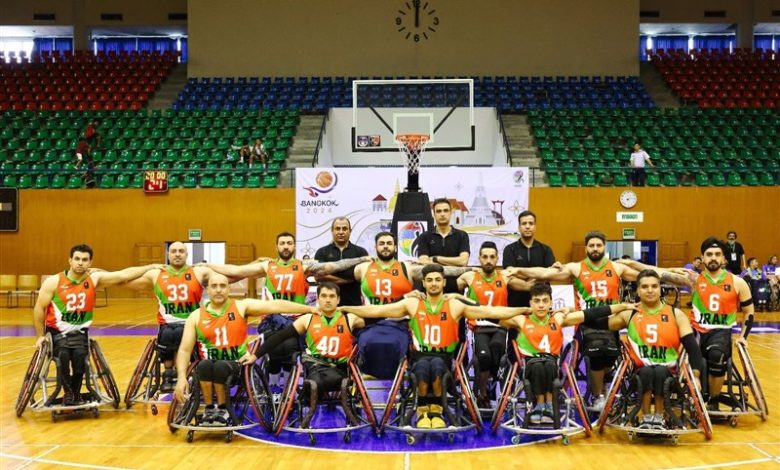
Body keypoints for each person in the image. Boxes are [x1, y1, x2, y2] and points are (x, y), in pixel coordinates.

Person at [507, 230, 690, 411]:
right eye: (591, 245)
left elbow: (647, 275)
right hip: (587, 321)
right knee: (597, 350)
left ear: (604, 247)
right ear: (586, 248)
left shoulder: (616, 268)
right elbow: (545, 273)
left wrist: (671, 271)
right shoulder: (576, 268)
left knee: (610, 353)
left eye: (599, 245)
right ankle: (598, 396)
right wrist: (518, 269)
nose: (595, 248)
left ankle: (605, 383)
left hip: (612, 319)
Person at [342, 264, 525, 429]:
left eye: (437, 280)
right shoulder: (412, 304)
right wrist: (345, 309)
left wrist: (524, 310)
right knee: (423, 367)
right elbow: (376, 310)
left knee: (436, 366)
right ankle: (423, 411)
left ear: (444, 282)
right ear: (423, 283)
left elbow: (490, 311)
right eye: (429, 280)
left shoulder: (455, 305)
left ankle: (437, 411)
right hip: (419, 357)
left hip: (444, 358)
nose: (434, 284)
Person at [208, 231, 371, 385]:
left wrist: (361, 259)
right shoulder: (267, 266)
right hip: (271, 319)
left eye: (289, 243)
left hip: (295, 320)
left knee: (289, 349)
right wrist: (206, 265)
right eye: (282, 243)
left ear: (294, 246)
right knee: (275, 350)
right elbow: (236, 270)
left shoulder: (304, 266)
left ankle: (286, 386)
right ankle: (274, 386)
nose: (286, 246)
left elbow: (334, 266)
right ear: (276, 247)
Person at [173, 273, 319, 426]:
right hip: (207, 368)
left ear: (228, 289)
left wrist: (309, 308)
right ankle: (209, 409)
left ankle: (223, 409)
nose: (218, 290)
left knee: (220, 366)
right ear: (207, 290)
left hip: (237, 365)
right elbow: (184, 350)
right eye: (214, 286)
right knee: (204, 365)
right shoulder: (195, 316)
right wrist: (181, 377)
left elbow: (275, 305)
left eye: (222, 286)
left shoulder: (241, 307)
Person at [33, 244, 162, 405]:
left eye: (84, 260)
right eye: (77, 259)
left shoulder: (94, 279)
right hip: (57, 334)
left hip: (80, 334)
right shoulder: (54, 282)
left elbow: (123, 275)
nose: (80, 263)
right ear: (70, 260)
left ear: (90, 262)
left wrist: (151, 266)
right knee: (63, 357)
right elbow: (39, 309)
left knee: (80, 360)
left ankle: (75, 393)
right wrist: (40, 336)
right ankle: (68, 394)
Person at [498, 283, 634, 424]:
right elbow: (494, 315)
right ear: (530, 303)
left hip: (552, 364)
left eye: (545, 301)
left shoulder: (558, 318)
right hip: (529, 366)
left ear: (551, 303)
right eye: (537, 301)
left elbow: (591, 313)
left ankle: (548, 405)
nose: (541, 305)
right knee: (538, 366)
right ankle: (540, 404)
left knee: (549, 365)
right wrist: (522, 310)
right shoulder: (521, 319)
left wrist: (623, 306)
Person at [584, 270, 703, 429]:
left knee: (660, 371)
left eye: (654, 286)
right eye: (645, 287)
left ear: (660, 289)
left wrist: (695, 377)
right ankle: (647, 417)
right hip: (638, 374)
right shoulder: (630, 314)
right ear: (638, 291)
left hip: (670, 374)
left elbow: (693, 349)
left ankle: (659, 416)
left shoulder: (676, 314)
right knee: (647, 372)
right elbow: (595, 322)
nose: (650, 290)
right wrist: (576, 315)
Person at [352, 231, 473, 379]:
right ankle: (367, 370)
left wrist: (471, 270)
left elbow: (439, 273)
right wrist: (360, 259)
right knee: (366, 342)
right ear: (375, 247)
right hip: (372, 322)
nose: (385, 247)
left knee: (397, 345)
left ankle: (398, 373)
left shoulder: (407, 268)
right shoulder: (363, 268)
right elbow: (332, 270)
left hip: (400, 323)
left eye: (389, 243)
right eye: (381, 244)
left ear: (395, 247)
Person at [252, 282, 366, 428]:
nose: (328, 300)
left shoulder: (350, 318)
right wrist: (255, 355)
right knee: (313, 380)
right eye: (324, 296)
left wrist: (347, 309)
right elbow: (280, 337)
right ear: (317, 299)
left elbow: (370, 321)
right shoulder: (308, 319)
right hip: (316, 367)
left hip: (341, 368)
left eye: (332, 296)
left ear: (338, 299)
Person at [126, 241, 219, 391]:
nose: (177, 254)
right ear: (168, 254)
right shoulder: (157, 273)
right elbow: (123, 279)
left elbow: (230, 276)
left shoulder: (198, 272)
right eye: (174, 251)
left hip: (191, 323)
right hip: (167, 324)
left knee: (181, 333)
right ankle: (168, 374)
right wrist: (148, 267)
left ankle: (182, 373)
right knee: (169, 334)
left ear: (187, 254)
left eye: (181, 251)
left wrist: (209, 265)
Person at [456, 240, 535, 407]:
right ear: (479, 258)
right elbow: (448, 285)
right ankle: (482, 394)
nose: (488, 260)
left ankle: (492, 384)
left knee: (497, 349)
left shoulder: (504, 277)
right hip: (478, 327)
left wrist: (550, 272)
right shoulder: (469, 276)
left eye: (492, 257)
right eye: (485, 257)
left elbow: (529, 286)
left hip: (500, 326)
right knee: (484, 357)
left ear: (497, 258)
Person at [689, 237, 754, 411]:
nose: (713, 258)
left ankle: (713, 401)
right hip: (695, 332)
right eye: (709, 254)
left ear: (724, 258)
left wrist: (743, 337)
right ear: (702, 258)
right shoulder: (692, 279)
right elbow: (656, 274)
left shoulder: (737, 282)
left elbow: (749, 312)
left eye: (717, 254)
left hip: (720, 331)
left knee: (716, 356)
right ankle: (693, 394)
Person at [501, 210, 557, 308]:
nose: (527, 226)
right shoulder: (509, 249)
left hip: (542, 303)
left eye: (531, 223)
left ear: (535, 227)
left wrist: (519, 271)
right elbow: (510, 274)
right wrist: (539, 274)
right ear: (519, 227)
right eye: (524, 223)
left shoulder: (545, 250)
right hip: (516, 304)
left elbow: (549, 274)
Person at [416, 198, 471, 293]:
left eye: (445, 211)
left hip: (456, 286)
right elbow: (423, 261)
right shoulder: (424, 237)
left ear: (451, 213)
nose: (442, 214)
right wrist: (454, 264)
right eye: (438, 211)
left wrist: (436, 259)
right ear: (433, 214)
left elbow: (463, 261)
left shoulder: (462, 235)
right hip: (430, 287)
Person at [314, 217, 370, 306]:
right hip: (328, 306)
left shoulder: (361, 253)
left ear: (350, 231)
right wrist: (348, 279)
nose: (341, 232)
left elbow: (362, 277)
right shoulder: (322, 252)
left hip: (353, 305)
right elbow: (318, 277)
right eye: (337, 229)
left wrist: (330, 274)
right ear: (332, 231)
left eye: (344, 229)